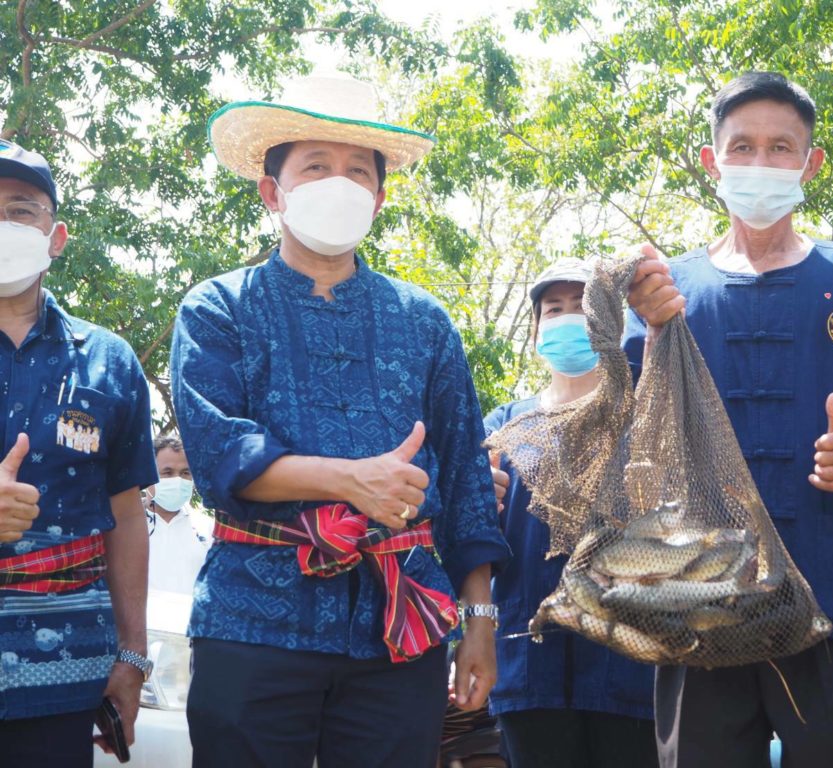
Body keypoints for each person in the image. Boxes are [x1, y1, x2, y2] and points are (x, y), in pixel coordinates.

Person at [171, 74, 510, 768]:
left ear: (380, 197)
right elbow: (220, 457)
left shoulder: (426, 323)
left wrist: (478, 621)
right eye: (316, 167)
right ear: (273, 191)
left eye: (358, 171)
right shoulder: (217, 309)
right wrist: (355, 481)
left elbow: (469, 485)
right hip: (252, 622)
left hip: (399, 630)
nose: (340, 183)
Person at [624, 72, 833, 767]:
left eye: (780, 147)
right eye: (742, 147)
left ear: (810, 163)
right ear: (712, 162)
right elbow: (630, 434)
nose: (760, 164)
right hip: (697, 597)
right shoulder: (665, 290)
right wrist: (646, 329)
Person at [0, 139, 156, 766]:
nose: (3, 226)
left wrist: (132, 656)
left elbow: (125, 513)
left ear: (55, 235)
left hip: (64, 672)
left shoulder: (109, 360)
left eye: (20, 209)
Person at [485, 258, 658, 768]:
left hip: (629, 669)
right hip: (528, 672)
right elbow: (476, 541)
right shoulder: (503, 426)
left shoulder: (646, 413)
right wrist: (479, 500)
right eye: (552, 309)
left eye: (582, 307)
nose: (567, 319)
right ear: (536, 329)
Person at [144, 435, 211, 594]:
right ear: (148, 473)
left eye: (185, 473)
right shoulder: (125, 527)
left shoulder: (206, 527)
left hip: (191, 618)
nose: (178, 480)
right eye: (167, 472)